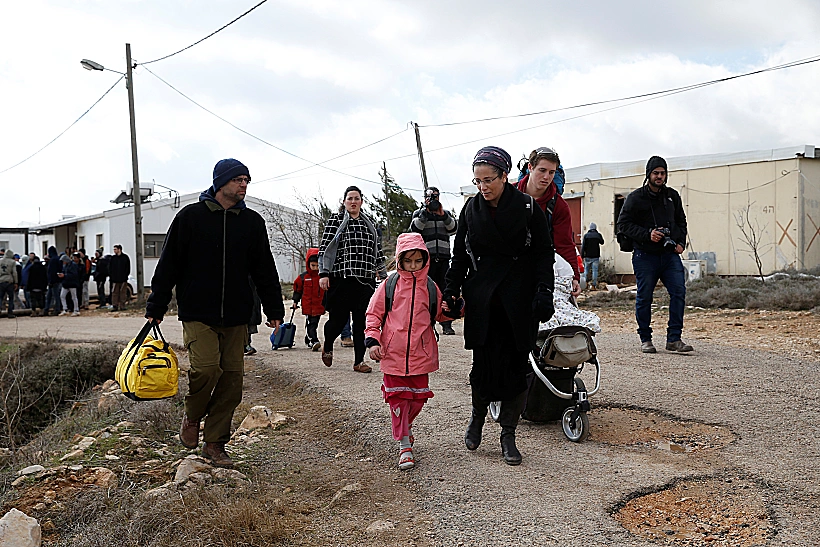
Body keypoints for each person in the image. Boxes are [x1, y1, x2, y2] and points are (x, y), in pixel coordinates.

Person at [146, 158, 284, 468]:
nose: (244, 185)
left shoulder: (252, 223)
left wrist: (274, 308)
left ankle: (215, 443)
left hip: (237, 314)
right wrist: (156, 305)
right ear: (221, 182)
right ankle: (193, 416)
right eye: (238, 180)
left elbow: (264, 270)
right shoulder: (190, 218)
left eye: (247, 180)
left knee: (232, 379)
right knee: (206, 369)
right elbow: (169, 264)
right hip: (197, 311)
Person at [443, 146, 555, 466]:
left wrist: (544, 291)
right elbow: (460, 257)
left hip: (520, 298)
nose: (483, 186)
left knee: (517, 369)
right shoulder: (470, 210)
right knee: (483, 366)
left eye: (489, 179)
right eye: (477, 181)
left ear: (505, 175)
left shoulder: (527, 207)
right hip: (484, 299)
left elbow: (543, 254)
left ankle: (508, 433)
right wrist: (451, 288)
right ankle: (478, 417)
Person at [365, 233, 447, 470]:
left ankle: (404, 428)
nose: (413, 266)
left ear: (425, 260)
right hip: (392, 354)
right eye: (408, 260)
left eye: (418, 261)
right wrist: (373, 341)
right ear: (399, 260)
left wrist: (456, 308)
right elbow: (373, 314)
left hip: (421, 354)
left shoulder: (430, 287)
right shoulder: (388, 286)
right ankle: (404, 445)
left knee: (418, 399)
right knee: (398, 399)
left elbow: (440, 314)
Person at [617, 155, 693, 354]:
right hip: (645, 255)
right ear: (648, 174)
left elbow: (681, 222)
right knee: (645, 297)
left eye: (662, 173)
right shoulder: (636, 198)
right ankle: (645, 338)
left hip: (669, 256)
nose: (659, 176)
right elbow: (623, 224)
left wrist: (680, 243)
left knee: (679, 292)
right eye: (656, 173)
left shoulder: (672, 196)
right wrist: (647, 235)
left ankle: (674, 339)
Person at [318, 185, 387, 373]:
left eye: (357, 198)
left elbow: (377, 251)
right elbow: (325, 247)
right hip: (341, 279)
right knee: (338, 321)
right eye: (350, 198)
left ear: (361, 201)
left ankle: (359, 361)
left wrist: (383, 274)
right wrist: (324, 273)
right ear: (344, 201)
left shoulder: (369, 223)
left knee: (361, 323)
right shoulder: (336, 220)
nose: (353, 202)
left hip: (364, 281)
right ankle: (329, 344)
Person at [516, 147, 581, 296]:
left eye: (551, 172)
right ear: (530, 167)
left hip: (542, 267)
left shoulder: (559, 206)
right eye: (542, 170)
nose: (546, 177)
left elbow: (564, 243)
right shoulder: (508, 195)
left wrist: (575, 277)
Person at [410, 186, 458, 335]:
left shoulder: (446, 214)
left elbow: (454, 229)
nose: (433, 200)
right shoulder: (419, 214)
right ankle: (427, 322)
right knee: (426, 291)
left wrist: (443, 215)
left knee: (445, 291)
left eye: (436, 196)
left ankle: (446, 323)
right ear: (425, 198)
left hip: (443, 258)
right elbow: (414, 230)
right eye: (431, 197)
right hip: (426, 259)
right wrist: (425, 213)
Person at [292, 248, 325, 351]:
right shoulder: (303, 277)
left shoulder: (322, 277)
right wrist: (295, 301)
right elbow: (298, 291)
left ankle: (309, 338)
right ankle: (314, 340)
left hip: (319, 305)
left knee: (314, 323)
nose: (315, 268)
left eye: (317, 266)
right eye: (313, 266)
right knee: (312, 323)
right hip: (308, 306)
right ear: (308, 264)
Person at [581, 222, 605, 289]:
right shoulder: (598, 235)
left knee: (586, 270)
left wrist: (582, 256)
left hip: (587, 256)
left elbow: (583, 247)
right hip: (595, 256)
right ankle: (593, 286)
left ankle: (585, 284)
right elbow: (602, 242)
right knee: (595, 271)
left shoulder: (586, 236)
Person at [109, 244, 131, 310]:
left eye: (115, 249)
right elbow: (110, 268)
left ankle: (122, 306)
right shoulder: (113, 258)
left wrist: (126, 276)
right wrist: (112, 276)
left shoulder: (125, 257)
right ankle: (115, 306)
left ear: (119, 249)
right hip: (115, 279)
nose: (114, 251)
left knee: (123, 293)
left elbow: (128, 268)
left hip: (123, 278)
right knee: (115, 293)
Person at [0, 249, 19, 317]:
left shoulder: (0, 261)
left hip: (1, 281)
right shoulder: (12, 262)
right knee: (11, 298)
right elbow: (14, 273)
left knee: (0, 297)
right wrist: (16, 282)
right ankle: (10, 312)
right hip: (9, 281)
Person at [45, 246, 63, 316]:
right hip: (57, 280)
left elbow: (51, 272)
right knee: (56, 296)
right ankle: (56, 309)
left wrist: (50, 281)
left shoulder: (52, 260)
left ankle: (49, 309)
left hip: (53, 281)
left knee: (51, 296)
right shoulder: (58, 259)